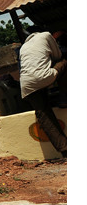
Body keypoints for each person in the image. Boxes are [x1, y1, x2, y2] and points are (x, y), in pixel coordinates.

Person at [19, 27, 67, 158]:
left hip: (26, 86)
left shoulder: (23, 47)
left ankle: (65, 149)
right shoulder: (46, 35)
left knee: (44, 116)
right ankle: (65, 98)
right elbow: (57, 56)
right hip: (44, 78)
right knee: (64, 62)